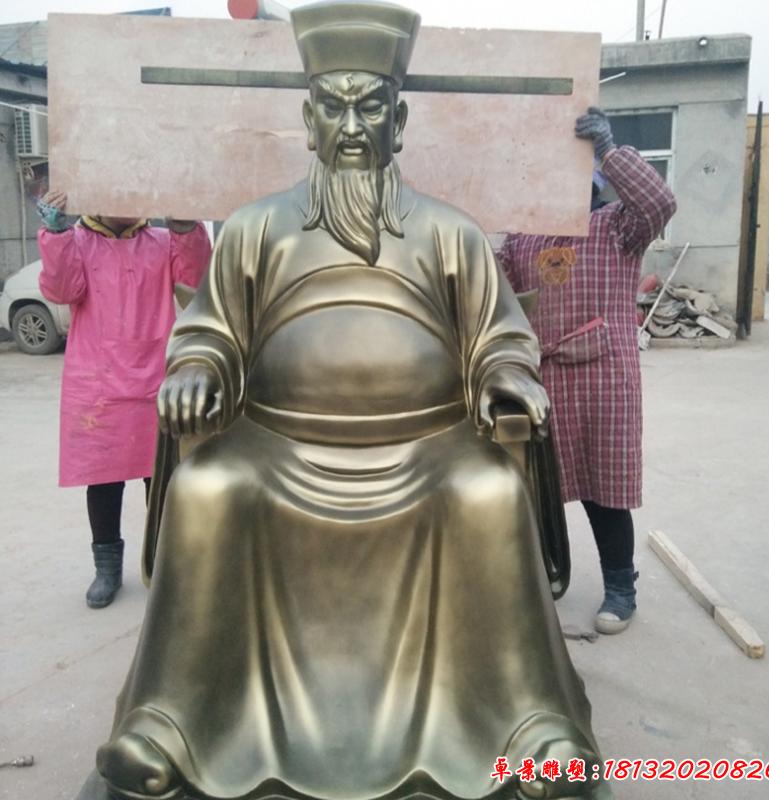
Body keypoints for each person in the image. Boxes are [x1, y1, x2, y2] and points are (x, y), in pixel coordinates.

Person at [84, 4, 612, 800]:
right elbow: (212, 332)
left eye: (373, 108)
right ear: (310, 121)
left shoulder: (451, 233)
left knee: (488, 491)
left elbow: (499, 336)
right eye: (336, 106)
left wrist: (507, 374)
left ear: (399, 122)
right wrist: (197, 369)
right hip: (277, 443)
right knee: (208, 487)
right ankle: (176, 721)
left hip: (430, 445)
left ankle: (524, 724)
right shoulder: (256, 229)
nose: (355, 126)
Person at [497, 108, 677, 635]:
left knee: (605, 490)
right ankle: (538, 583)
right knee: (536, 492)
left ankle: (621, 588)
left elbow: (660, 203)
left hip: (605, 379)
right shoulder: (522, 240)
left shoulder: (618, 226)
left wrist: (609, 151)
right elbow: (497, 294)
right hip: (544, 376)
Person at [37, 190, 211, 609]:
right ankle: (107, 569)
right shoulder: (77, 242)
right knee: (104, 480)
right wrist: (56, 235)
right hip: (98, 385)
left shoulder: (162, 242)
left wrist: (186, 227)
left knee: (162, 479)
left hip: (156, 377)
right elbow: (62, 289)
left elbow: (195, 280)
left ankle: (166, 564)